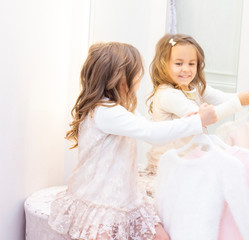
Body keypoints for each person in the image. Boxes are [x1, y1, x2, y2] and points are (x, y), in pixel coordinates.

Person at [48, 42, 218, 240]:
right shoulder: (105, 112)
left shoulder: (122, 108)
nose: (139, 81)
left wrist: (192, 119)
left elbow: (152, 131)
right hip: (100, 198)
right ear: (120, 79)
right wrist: (197, 121)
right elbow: (152, 133)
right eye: (137, 76)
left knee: (161, 237)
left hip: (126, 196)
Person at [146, 33, 249, 173]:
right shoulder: (167, 94)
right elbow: (202, 118)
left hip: (189, 161)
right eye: (178, 63)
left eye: (191, 63)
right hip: (168, 167)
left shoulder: (195, 87)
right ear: (163, 65)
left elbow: (222, 98)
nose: (186, 69)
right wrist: (239, 100)